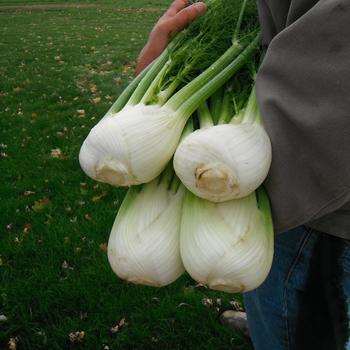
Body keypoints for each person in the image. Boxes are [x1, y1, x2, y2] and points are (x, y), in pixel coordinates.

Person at [136, 1, 350, 349]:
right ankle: (269, 323)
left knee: (304, 321)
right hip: (269, 172)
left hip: (319, 205)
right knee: (266, 294)